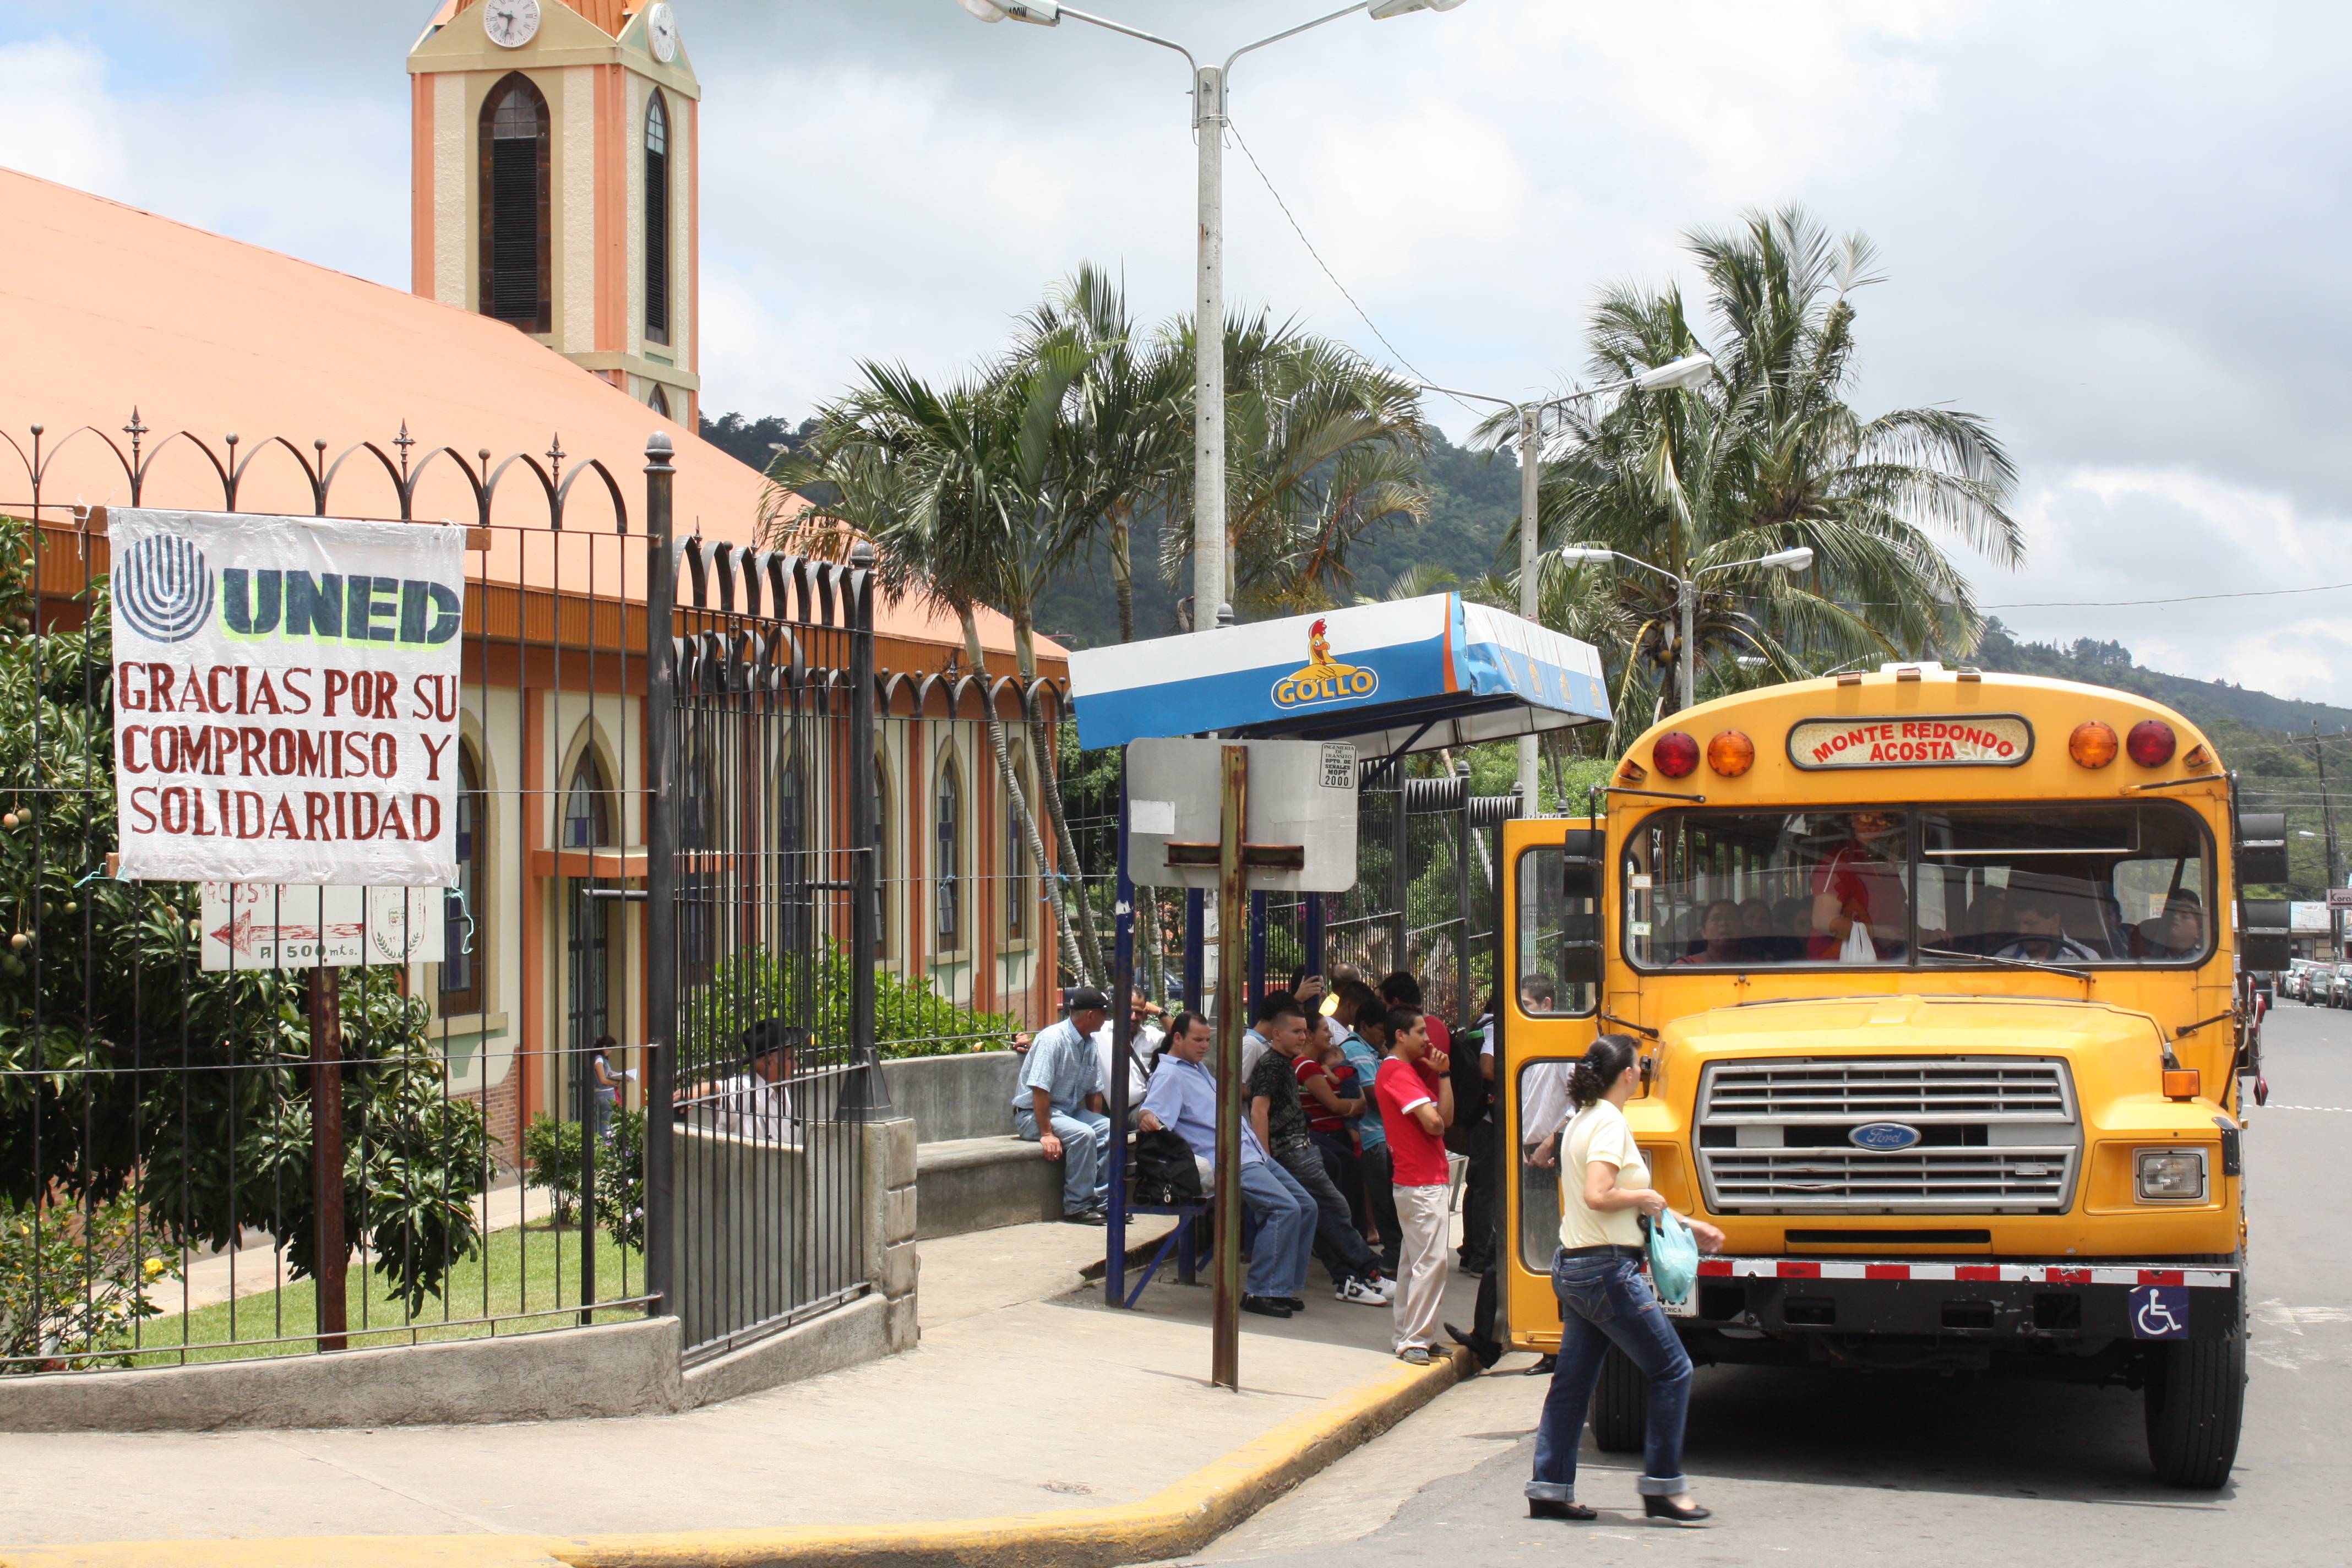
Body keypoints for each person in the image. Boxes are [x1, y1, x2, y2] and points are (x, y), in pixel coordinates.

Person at [1525, 1034, 1726, 1526]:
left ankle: (1549, 1488)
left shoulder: (1581, 1118)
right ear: (1629, 1074)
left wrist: (1685, 1223)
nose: (1643, 1072)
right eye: (1640, 1066)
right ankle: (1662, 1487)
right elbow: (1600, 1195)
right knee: (1673, 1369)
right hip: (1606, 1272)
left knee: (1572, 1384)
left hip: (1576, 1266)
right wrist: (1645, 1198)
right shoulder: (1611, 1122)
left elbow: (1614, 1201)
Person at [1139, 1010, 1318, 1319]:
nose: (1204, 1046)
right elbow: (1155, 1118)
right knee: (1283, 1209)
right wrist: (1146, 1115)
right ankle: (1262, 1291)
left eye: (1207, 1040)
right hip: (1228, 1159)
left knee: (1307, 1206)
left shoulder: (1197, 1069)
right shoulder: (1169, 1075)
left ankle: (1281, 1286)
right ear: (1178, 1038)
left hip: (1251, 1152)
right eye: (1198, 1040)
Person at [1248, 1000, 1390, 1305]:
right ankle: (1369, 1272)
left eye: (1304, 1032)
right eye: (1296, 1032)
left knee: (1319, 1212)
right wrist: (1266, 1160)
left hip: (1301, 1148)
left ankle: (1350, 1278)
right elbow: (1259, 1111)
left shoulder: (1286, 1063)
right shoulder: (1273, 1065)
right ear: (1277, 1034)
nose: (1303, 1037)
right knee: (1333, 1209)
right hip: (1291, 1152)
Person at [1373, 1005, 1453, 1363]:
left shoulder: (1404, 1072)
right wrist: (1437, 1104)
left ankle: (1409, 1334)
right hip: (1421, 1181)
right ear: (1400, 1036)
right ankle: (1416, 1339)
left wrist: (1444, 1075)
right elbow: (1435, 1124)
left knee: (1414, 1262)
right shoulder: (1398, 1072)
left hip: (1418, 1180)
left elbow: (1444, 1118)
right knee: (1431, 1263)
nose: (1427, 1038)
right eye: (1420, 1032)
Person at [1011, 985, 1113, 1224]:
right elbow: (1039, 1089)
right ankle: (1078, 1205)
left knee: (1109, 1129)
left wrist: (1097, 1124)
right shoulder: (1053, 1039)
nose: (1106, 1019)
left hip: (1067, 1113)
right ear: (1091, 1015)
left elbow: (1094, 1090)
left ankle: (1103, 1202)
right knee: (1084, 1135)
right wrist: (1047, 1133)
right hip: (1032, 1116)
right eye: (1104, 1014)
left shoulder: (1090, 1043)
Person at [1333, 980, 1401, 1272]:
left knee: (1388, 1198)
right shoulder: (1356, 1051)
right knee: (1384, 1200)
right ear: (1364, 1026)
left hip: (1381, 1136)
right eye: (1380, 1030)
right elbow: (1374, 1097)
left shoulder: (1371, 1051)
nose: (1383, 1037)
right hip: (1372, 1137)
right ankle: (1395, 1253)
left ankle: (1396, 1252)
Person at [1809, 811, 1910, 960]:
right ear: (1853, 820)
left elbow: (1900, 912)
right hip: (1840, 963)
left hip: (1888, 960)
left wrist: (1925, 935)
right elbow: (1823, 921)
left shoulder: (1887, 865)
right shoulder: (1840, 861)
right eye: (1866, 818)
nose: (1873, 827)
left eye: (1882, 821)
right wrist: (1877, 932)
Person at [679, 1020, 797, 1141]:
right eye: (790, 1058)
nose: (796, 1065)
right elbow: (724, 1089)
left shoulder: (781, 1088)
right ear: (768, 1062)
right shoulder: (746, 1088)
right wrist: (697, 1092)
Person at [1991, 888, 2102, 965]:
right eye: (2017, 923)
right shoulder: (2002, 957)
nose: (2022, 931)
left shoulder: (2085, 958)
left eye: (2031, 924)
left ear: (2055, 921)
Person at [1092, 991, 1153, 1124]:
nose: (1133, 1017)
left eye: (1138, 1012)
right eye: (1129, 1011)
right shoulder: (1100, 1032)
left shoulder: (1151, 1036)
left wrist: (1160, 1013)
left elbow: (1180, 1040)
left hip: (1147, 1104)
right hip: (1117, 1112)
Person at [2136, 890, 2205, 961]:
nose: (2176, 917)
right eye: (2172, 913)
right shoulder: (2150, 952)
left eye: (2185, 916)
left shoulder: (2198, 960)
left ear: (2199, 934)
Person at [1674, 899, 1745, 966]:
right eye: (1716, 919)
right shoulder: (1685, 966)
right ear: (1704, 932)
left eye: (1731, 919)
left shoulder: (1751, 965)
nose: (1724, 923)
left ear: (1742, 929)